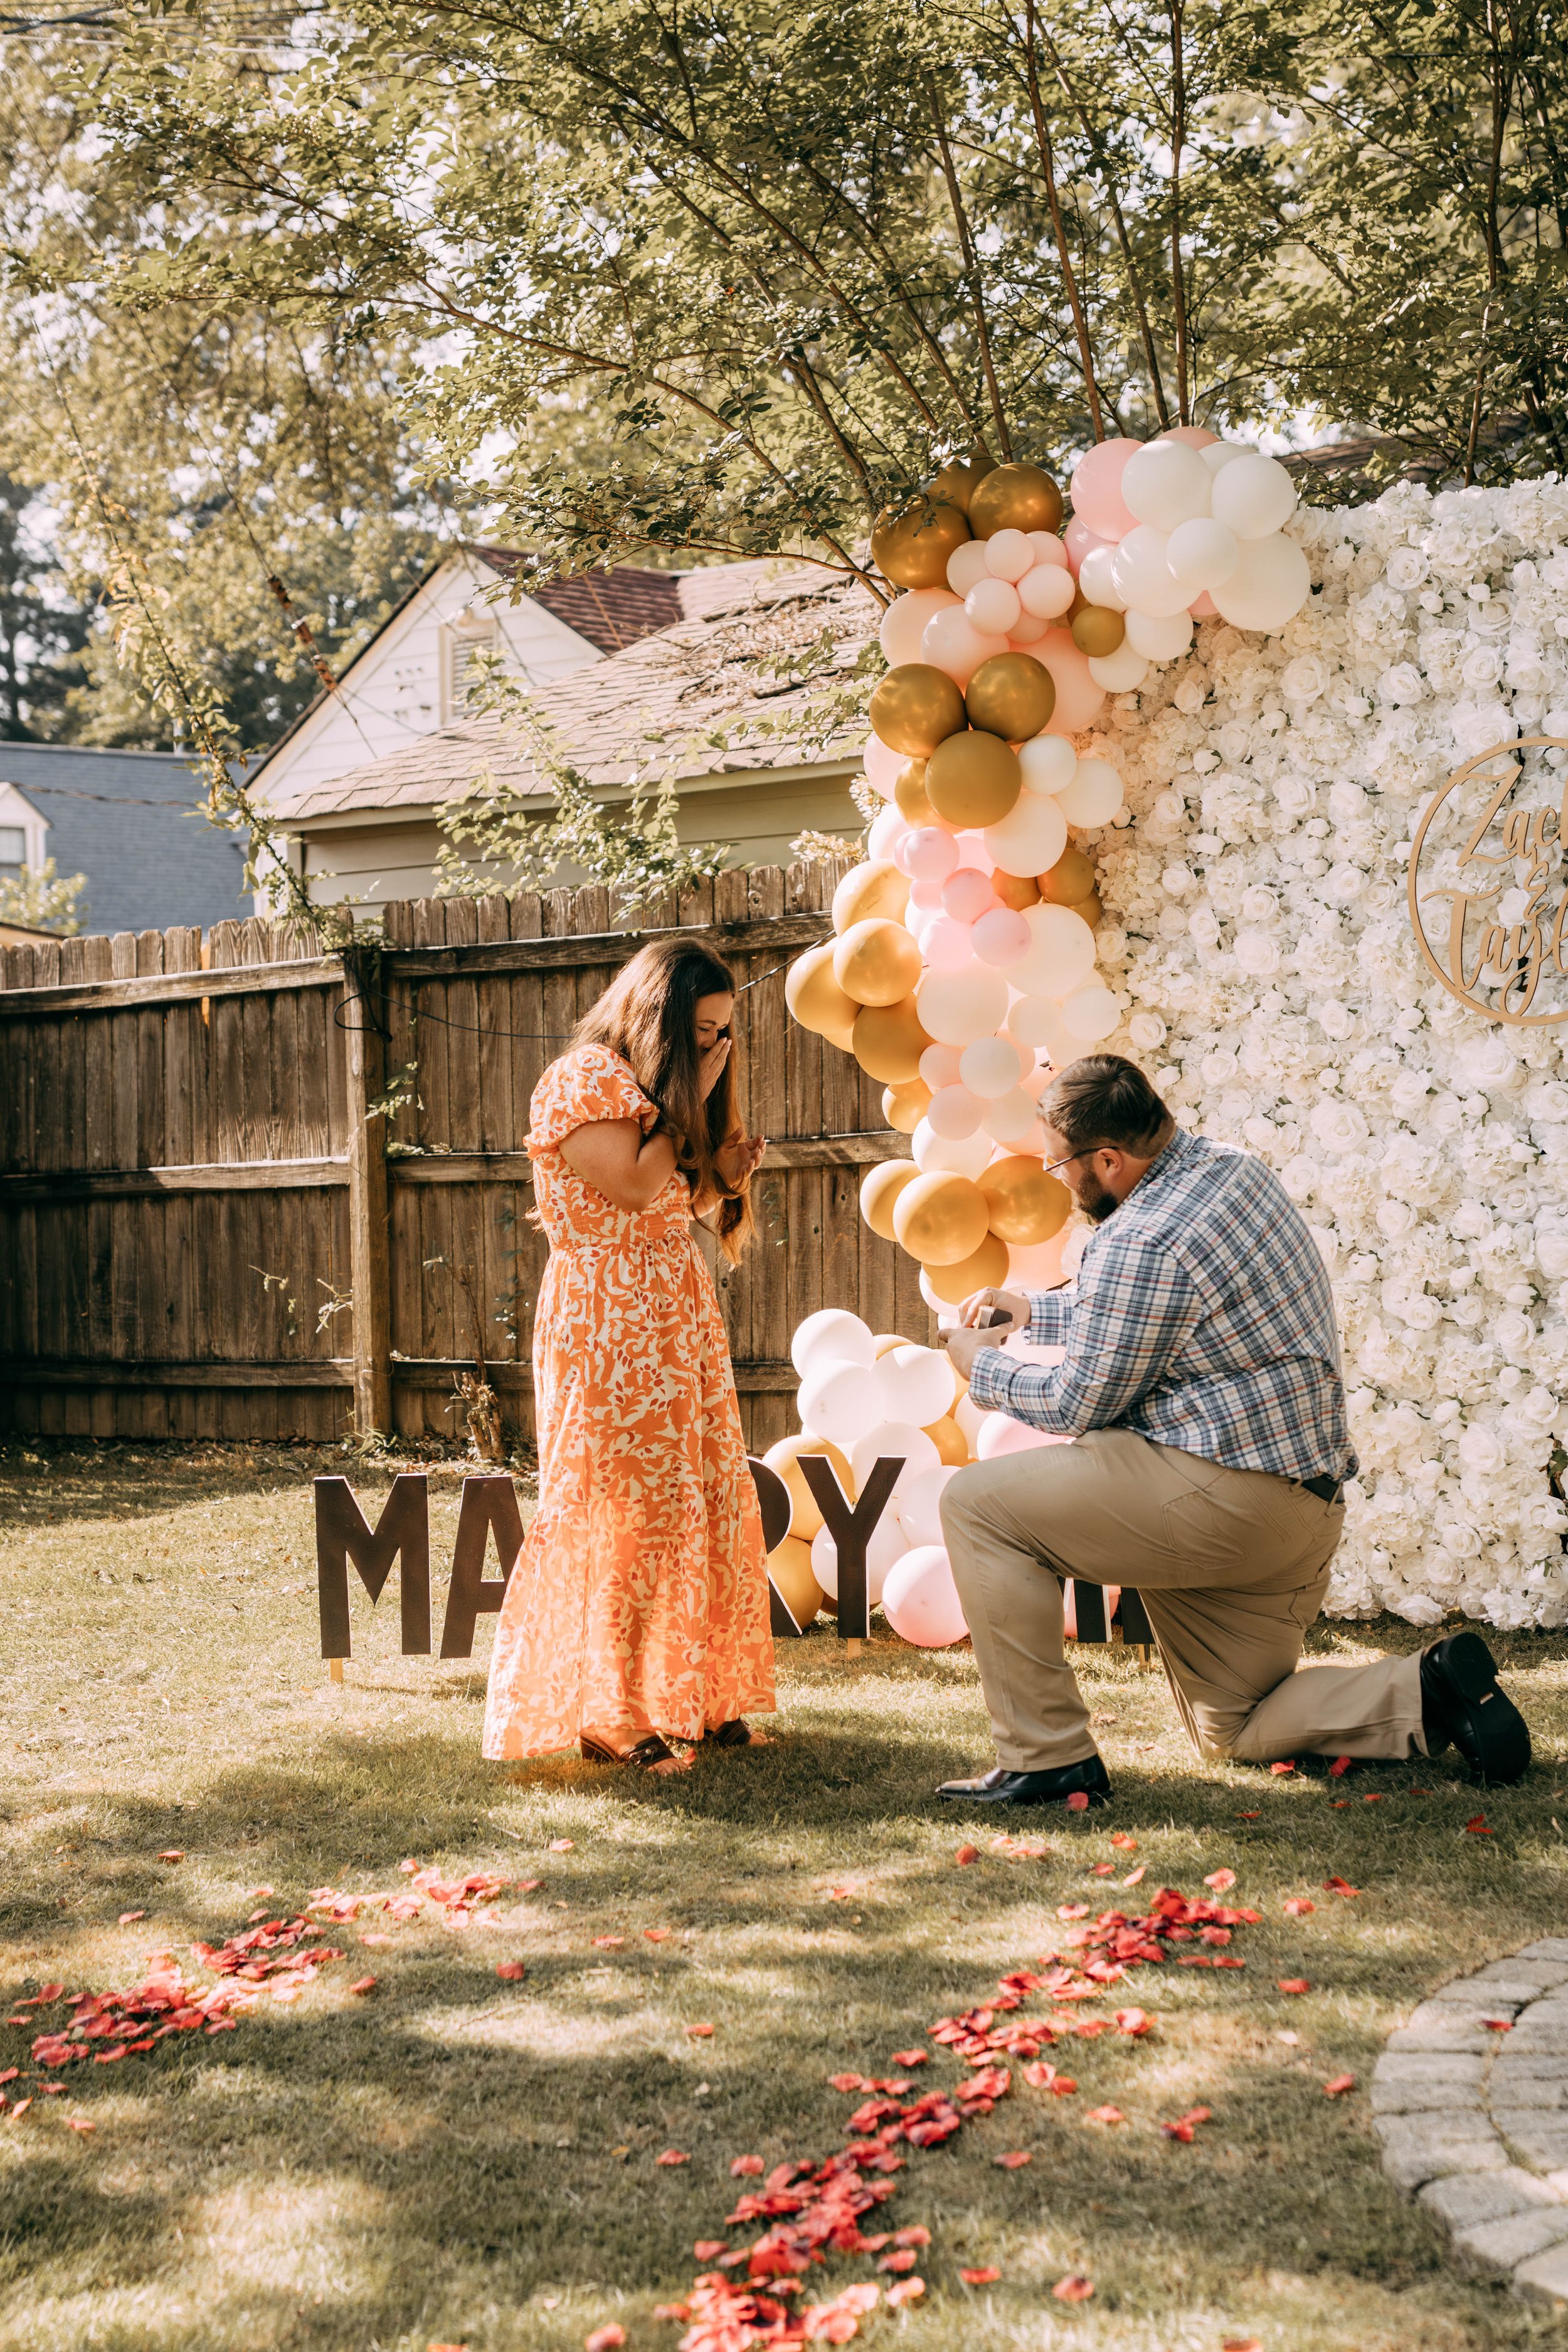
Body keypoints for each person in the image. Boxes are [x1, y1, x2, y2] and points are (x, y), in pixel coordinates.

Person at [935, 1053, 1532, 1809]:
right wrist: (1032, 1309)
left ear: (1107, 1160)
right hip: (1301, 1513)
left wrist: (976, 1365)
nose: (1060, 1180)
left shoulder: (1138, 1238)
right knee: (1235, 1726)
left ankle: (1047, 1759)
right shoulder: (1233, 1171)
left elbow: (1074, 1402)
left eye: (1061, 1167)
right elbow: (1159, 1313)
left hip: (1219, 1504)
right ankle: (1427, 1686)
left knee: (976, 1504)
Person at [482, 938, 775, 1772]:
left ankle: (702, 1692)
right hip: (608, 1319)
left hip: (676, 1315)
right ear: (663, 1020)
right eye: (707, 1032)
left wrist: (721, 1173)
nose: (721, 1048)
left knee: (708, 1491)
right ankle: (609, 1708)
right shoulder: (584, 1080)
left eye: (727, 1032)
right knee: (627, 1509)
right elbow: (638, 1185)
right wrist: (700, 1106)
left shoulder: (657, 1092)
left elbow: (674, 1202)